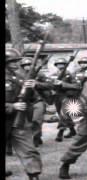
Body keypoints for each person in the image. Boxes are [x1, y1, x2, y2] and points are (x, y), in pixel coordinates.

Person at [5, 48, 42, 180]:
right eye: (12, 61)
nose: (16, 63)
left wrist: (31, 88)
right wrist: (11, 106)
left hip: (18, 119)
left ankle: (34, 173)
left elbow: (32, 98)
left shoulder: (20, 77)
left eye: (17, 61)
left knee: (28, 148)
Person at [52, 58, 81, 142]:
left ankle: (60, 132)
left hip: (67, 96)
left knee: (63, 113)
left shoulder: (70, 74)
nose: (60, 66)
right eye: (58, 64)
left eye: (62, 64)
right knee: (62, 114)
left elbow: (77, 86)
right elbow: (49, 85)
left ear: (65, 65)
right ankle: (72, 131)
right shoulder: (53, 74)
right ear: (56, 66)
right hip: (57, 96)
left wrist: (63, 83)